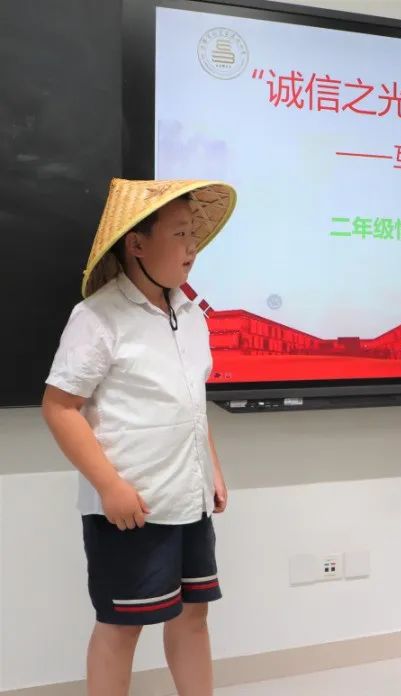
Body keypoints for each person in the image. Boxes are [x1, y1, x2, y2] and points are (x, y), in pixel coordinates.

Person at [41, 178, 237, 696]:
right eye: (179, 234)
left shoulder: (192, 315)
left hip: (189, 497)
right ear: (137, 243)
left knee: (193, 615)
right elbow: (59, 407)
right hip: (132, 506)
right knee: (122, 626)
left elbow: (192, 404)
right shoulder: (97, 317)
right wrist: (110, 486)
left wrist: (212, 469)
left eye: (194, 234)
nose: (192, 247)